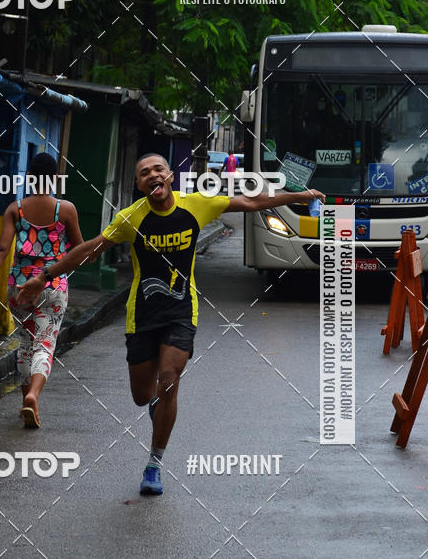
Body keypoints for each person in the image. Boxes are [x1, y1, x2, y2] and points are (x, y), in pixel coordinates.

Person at [17, 152, 325, 496]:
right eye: (144, 173)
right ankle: (154, 407)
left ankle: (154, 464)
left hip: (182, 311)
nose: (152, 175)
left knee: (169, 380)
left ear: (169, 176)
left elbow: (251, 202)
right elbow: (91, 249)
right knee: (141, 396)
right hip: (143, 315)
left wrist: (300, 196)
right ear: (139, 184)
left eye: (158, 169)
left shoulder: (196, 204)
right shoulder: (131, 218)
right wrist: (43, 276)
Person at [0, 153, 83, 428]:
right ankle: (34, 395)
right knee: (44, 344)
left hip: (18, 286)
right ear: (56, 178)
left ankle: (29, 405)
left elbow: (2, 248)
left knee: (25, 343)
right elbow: (80, 250)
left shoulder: (15, 209)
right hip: (52, 285)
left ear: (29, 178)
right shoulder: (66, 209)